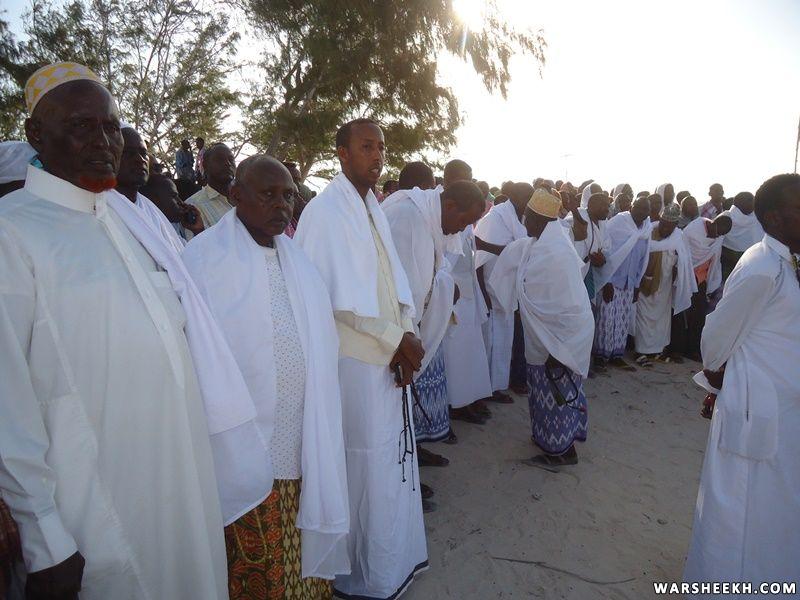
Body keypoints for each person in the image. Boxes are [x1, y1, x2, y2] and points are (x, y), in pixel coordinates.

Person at [0, 61, 239, 600]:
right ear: (36, 133)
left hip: (180, 478)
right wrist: (44, 539)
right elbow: (7, 402)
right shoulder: (12, 231)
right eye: (81, 126)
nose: (104, 141)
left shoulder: (125, 218)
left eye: (110, 126)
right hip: (94, 503)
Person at [183, 155, 350, 599]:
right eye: (268, 194)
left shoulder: (299, 262)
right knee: (258, 565)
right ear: (236, 195)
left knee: (301, 562)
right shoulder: (203, 260)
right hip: (241, 444)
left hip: (300, 438)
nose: (282, 205)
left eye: (289, 195)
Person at [294, 118, 428, 599]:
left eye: (382, 148)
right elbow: (337, 302)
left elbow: (394, 283)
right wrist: (396, 340)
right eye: (367, 146)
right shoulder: (325, 213)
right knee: (362, 463)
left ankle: (390, 564)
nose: (378, 156)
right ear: (342, 152)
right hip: (354, 363)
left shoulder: (373, 207)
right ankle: (360, 577)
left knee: (388, 461)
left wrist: (406, 334)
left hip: (389, 354)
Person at [683, 173, 800, 595]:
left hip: (784, 416)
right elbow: (715, 342)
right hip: (755, 414)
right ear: (776, 218)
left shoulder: (788, 264)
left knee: (774, 511)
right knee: (739, 511)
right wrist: (719, 385)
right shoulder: (761, 268)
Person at [383, 165, 485, 503]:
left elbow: (430, 273)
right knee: (390, 414)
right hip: (392, 337)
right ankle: (402, 482)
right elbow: (399, 291)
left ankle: (411, 463)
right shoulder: (407, 218)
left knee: (405, 409)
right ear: (450, 206)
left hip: (410, 331)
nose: (463, 229)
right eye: (464, 221)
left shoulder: (429, 217)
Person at [488, 188, 594, 468]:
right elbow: (511, 256)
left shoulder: (557, 253)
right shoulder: (535, 245)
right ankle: (551, 441)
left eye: (529, 217)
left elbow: (564, 310)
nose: (525, 221)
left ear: (543, 221)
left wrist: (558, 350)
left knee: (556, 391)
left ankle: (560, 453)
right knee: (544, 392)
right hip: (543, 339)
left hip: (558, 342)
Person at [474, 181, 531, 404]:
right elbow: (479, 259)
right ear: (516, 198)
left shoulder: (519, 219)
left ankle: (497, 386)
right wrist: (483, 295)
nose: (530, 203)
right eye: (527, 198)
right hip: (490, 291)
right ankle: (486, 389)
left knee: (504, 342)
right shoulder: (494, 219)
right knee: (489, 341)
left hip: (507, 292)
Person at [115, 124, 203, 251]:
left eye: (143, 153)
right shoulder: (108, 212)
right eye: (129, 153)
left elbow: (185, 258)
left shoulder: (154, 214)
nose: (140, 159)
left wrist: (198, 231)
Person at [592, 196, 652, 370]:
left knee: (622, 320)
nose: (642, 212)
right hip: (611, 280)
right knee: (606, 319)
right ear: (632, 207)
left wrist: (637, 284)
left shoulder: (646, 229)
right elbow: (606, 251)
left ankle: (616, 355)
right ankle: (600, 356)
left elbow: (643, 259)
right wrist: (607, 281)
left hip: (629, 282)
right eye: (639, 207)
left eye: (646, 209)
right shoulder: (618, 223)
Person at [633, 203, 696, 364]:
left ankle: (656, 351)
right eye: (663, 224)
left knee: (661, 320)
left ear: (675, 225)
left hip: (665, 285)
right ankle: (640, 351)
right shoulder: (648, 233)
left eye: (669, 226)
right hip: (646, 283)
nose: (665, 228)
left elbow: (684, 260)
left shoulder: (679, 237)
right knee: (643, 318)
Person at [682, 214, 732, 360]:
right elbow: (683, 254)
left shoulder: (718, 238)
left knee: (698, 316)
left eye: (722, 234)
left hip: (701, 280)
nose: (718, 236)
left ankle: (693, 349)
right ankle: (677, 349)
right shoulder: (693, 231)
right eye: (718, 232)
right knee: (681, 313)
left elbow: (714, 261)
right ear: (713, 223)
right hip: (684, 277)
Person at [185, 142, 236, 237]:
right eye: (220, 160)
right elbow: (195, 244)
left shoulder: (249, 197)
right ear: (205, 165)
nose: (228, 163)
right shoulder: (194, 206)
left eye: (231, 159)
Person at [719, 191, 764, 280]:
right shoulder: (726, 217)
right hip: (728, 258)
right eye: (751, 201)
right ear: (741, 203)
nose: (754, 204)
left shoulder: (756, 217)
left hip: (752, 258)